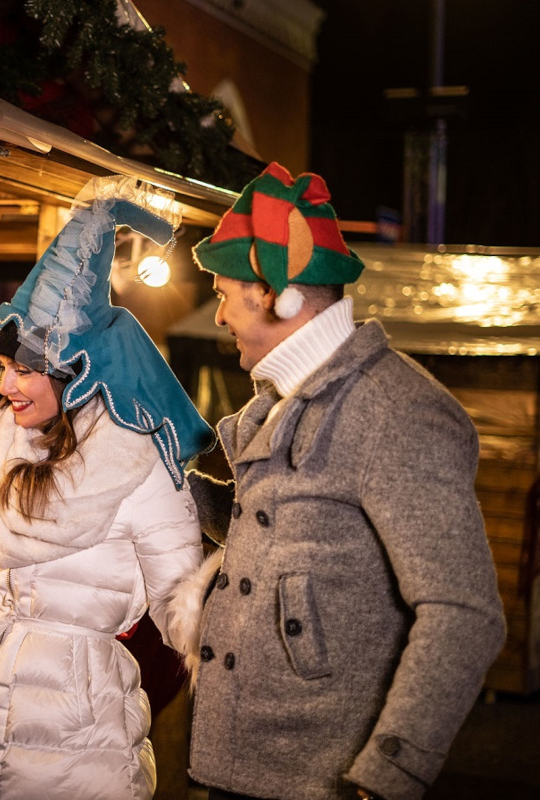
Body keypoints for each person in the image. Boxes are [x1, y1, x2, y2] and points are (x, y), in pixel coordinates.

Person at [0, 176, 215, 800]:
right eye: (2, 367)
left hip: (76, 732)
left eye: (24, 369)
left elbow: (186, 615)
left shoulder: (137, 461)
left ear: (77, 372)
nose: (7, 386)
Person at [182, 163, 506, 800]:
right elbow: (286, 536)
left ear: (280, 295)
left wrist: (387, 776)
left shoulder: (395, 411)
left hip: (321, 783)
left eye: (222, 294)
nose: (217, 316)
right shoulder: (288, 398)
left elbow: (464, 612)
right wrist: (165, 483)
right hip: (248, 769)